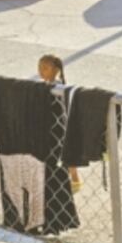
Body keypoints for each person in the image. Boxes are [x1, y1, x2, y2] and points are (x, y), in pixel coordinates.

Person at [37, 54, 83, 193]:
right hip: (51, 124)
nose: (40, 71)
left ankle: (75, 179)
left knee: (66, 153)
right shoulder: (44, 86)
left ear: (55, 71)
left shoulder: (57, 86)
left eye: (44, 68)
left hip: (61, 123)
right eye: (39, 67)